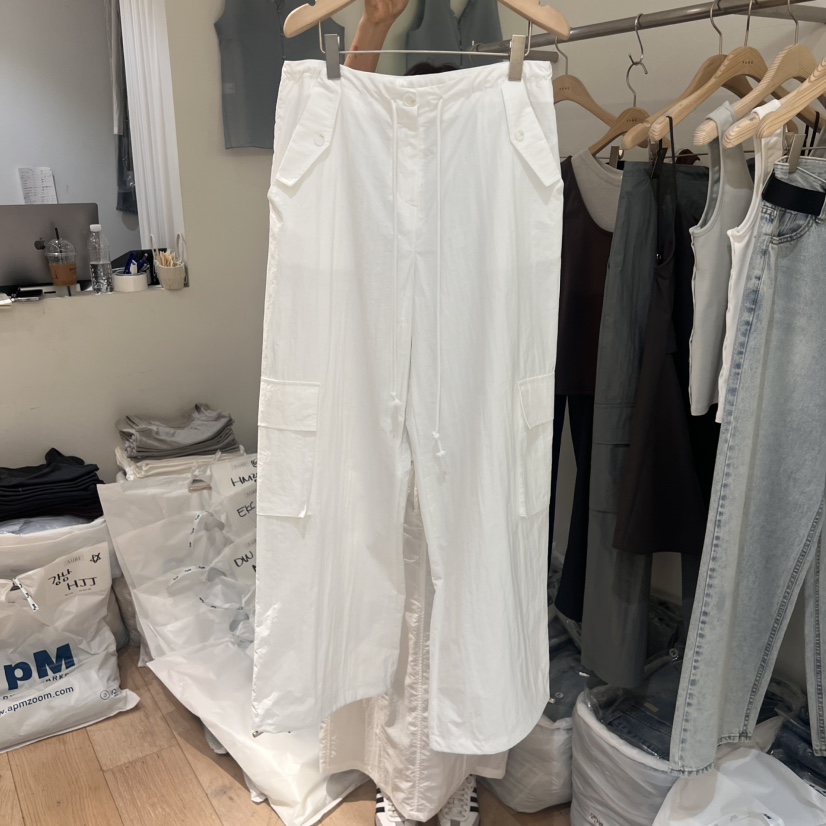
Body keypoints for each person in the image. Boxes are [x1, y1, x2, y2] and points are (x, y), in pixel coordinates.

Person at [324, 6, 490, 826]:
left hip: (459, 419)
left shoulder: (479, 207)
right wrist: (373, 28)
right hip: (384, 412)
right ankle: (400, 775)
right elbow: (337, 124)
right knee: (386, 590)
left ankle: (448, 774)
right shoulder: (368, 206)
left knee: (452, 595)